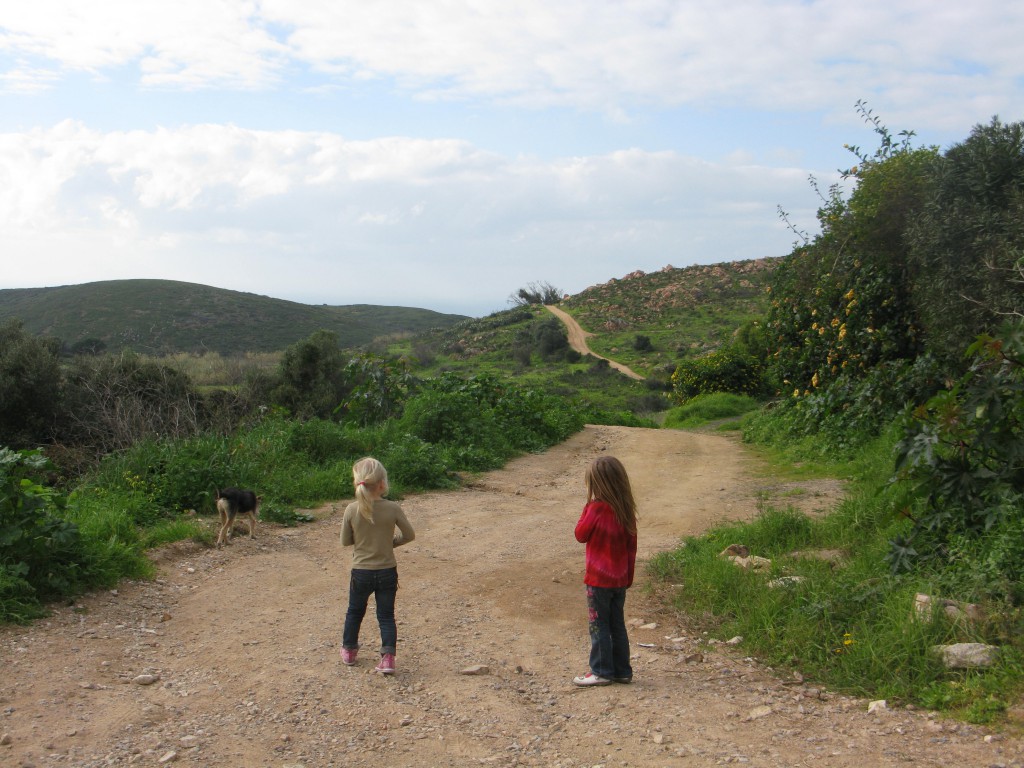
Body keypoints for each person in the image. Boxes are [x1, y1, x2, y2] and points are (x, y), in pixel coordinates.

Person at [340, 457, 415, 675]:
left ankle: (349, 651)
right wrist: (391, 543)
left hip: (361, 571)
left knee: (354, 612)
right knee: (386, 615)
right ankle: (388, 658)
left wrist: (363, 540)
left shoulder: (351, 509)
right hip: (386, 571)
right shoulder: (392, 508)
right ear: (382, 483)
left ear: (357, 483)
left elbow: (345, 541)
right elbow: (409, 535)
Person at [572, 455, 638, 687]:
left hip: (598, 580)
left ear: (596, 484)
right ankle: (622, 671)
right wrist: (628, 576)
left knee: (599, 625)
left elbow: (580, 535)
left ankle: (600, 670)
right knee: (617, 624)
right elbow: (632, 547)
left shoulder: (596, 508)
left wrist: (586, 507)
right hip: (619, 580)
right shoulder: (626, 510)